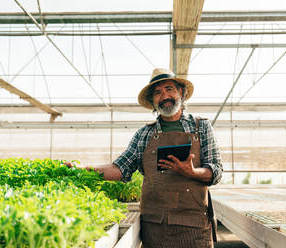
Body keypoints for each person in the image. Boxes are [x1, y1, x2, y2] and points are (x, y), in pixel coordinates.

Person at [65, 68, 223, 248]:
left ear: (181, 92)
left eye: (169, 89)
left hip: (193, 226)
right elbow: (120, 168)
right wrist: (83, 170)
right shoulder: (145, 134)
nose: (164, 96)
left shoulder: (201, 127)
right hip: (155, 227)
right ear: (152, 101)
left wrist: (192, 172)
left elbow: (216, 171)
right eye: (157, 93)